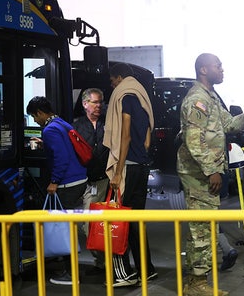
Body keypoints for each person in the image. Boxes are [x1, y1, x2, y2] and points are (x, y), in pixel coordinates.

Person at [177, 53, 244, 296]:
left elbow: (228, 125)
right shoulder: (197, 99)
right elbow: (193, 141)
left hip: (204, 172)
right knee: (202, 228)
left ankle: (193, 280)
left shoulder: (211, 97)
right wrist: (211, 171)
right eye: (218, 66)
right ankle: (197, 284)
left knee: (204, 226)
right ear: (204, 70)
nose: (222, 69)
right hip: (198, 174)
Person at [103, 63, 158, 287]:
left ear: (119, 77)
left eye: (112, 80)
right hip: (142, 166)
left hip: (128, 167)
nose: (113, 85)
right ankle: (147, 269)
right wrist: (142, 149)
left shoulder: (125, 96)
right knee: (136, 220)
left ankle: (124, 274)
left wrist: (117, 172)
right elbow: (146, 136)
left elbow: (124, 136)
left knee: (119, 220)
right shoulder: (142, 95)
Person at [26, 96, 88, 285]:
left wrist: (54, 181)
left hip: (67, 183)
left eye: (34, 117)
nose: (35, 121)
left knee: (65, 228)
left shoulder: (50, 129)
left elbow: (61, 157)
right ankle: (71, 269)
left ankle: (71, 274)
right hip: (79, 178)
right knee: (69, 226)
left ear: (40, 113)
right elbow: (66, 148)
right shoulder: (61, 123)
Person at [72, 88, 109, 275]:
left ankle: (105, 262)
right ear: (85, 104)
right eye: (95, 102)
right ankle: (100, 260)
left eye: (100, 102)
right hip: (84, 181)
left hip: (104, 180)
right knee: (88, 224)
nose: (98, 106)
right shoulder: (76, 126)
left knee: (102, 223)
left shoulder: (108, 124)